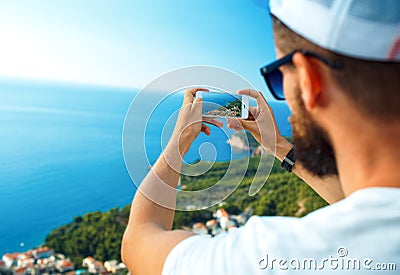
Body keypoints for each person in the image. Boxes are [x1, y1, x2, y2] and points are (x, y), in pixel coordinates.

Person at [121, 0, 400, 274]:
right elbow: (361, 204)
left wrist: (178, 143)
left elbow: (138, 242)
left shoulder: (271, 258)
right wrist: (277, 145)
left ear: (308, 80)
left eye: (279, 77)